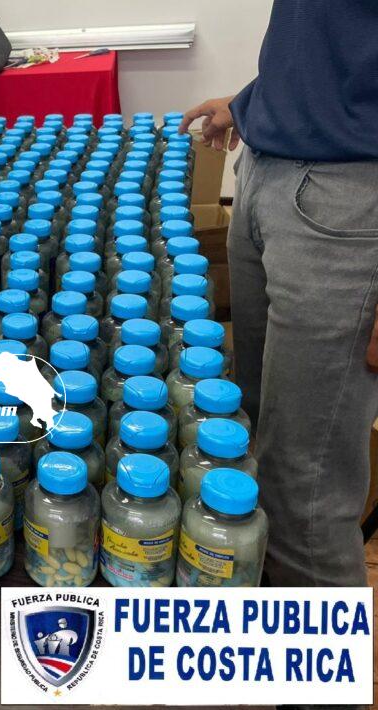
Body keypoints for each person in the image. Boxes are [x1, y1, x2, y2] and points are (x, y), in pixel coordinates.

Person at [179, 1, 378, 588]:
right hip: (268, 169)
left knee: (304, 498)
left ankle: (311, 641)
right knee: (247, 435)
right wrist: (259, 102)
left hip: (348, 199)